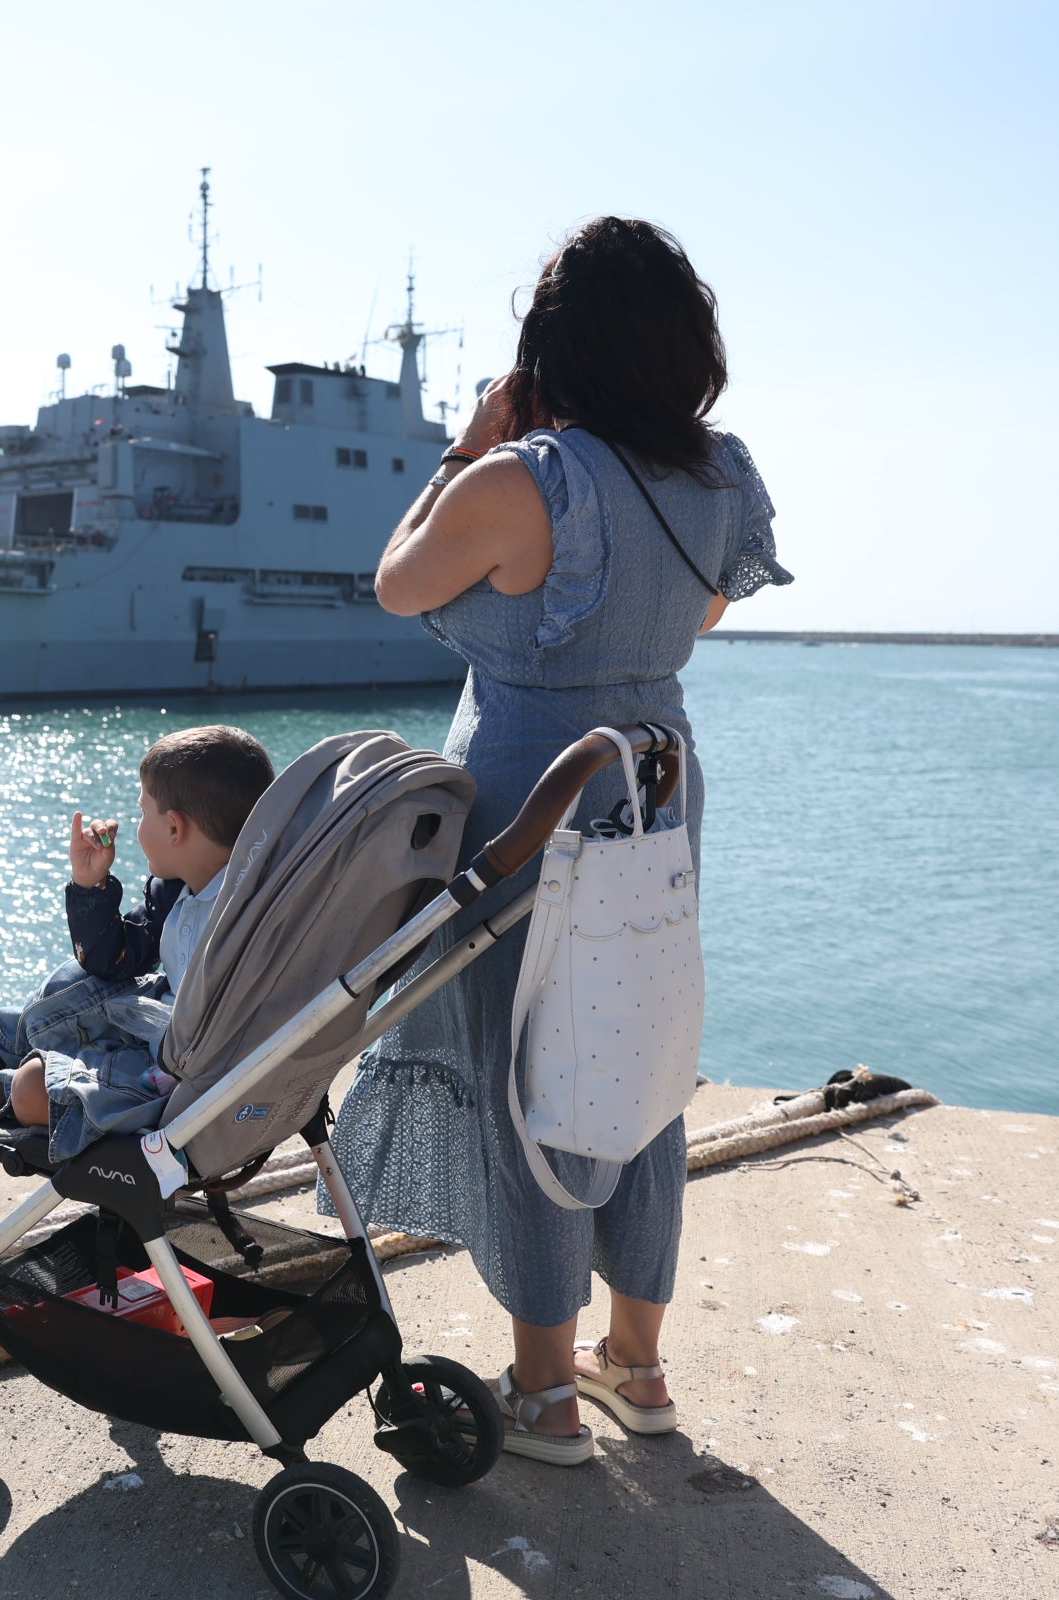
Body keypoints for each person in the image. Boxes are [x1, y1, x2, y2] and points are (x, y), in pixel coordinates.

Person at [328, 218, 790, 1465]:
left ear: (553, 346)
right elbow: (695, 611)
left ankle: (543, 1397)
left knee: (528, 1072)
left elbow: (396, 584)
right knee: (637, 1060)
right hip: (658, 785)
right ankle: (635, 1367)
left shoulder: (518, 478)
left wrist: (468, 443)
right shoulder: (722, 477)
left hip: (532, 802)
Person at [0, 726, 275, 1162]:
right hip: (157, 1027)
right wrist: (91, 887)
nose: (137, 824)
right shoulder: (177, 890)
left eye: (143, 812)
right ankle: (6, 1046)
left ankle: (13, 1086)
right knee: (75, 979)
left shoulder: (250, 916)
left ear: (173, 828)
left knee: (34, 1088)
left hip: (181, 1074)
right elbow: (114, 960)